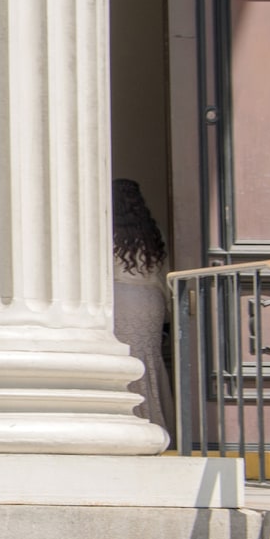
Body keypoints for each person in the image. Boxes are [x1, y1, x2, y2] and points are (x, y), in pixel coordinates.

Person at [112, 177, 172, 433]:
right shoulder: (152, 234)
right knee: (149, 359)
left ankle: (129, 420)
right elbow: (162, 274)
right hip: (151, 301)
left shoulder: (109, 232)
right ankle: (154, 420)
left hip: (122, 299)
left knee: (124, 358)